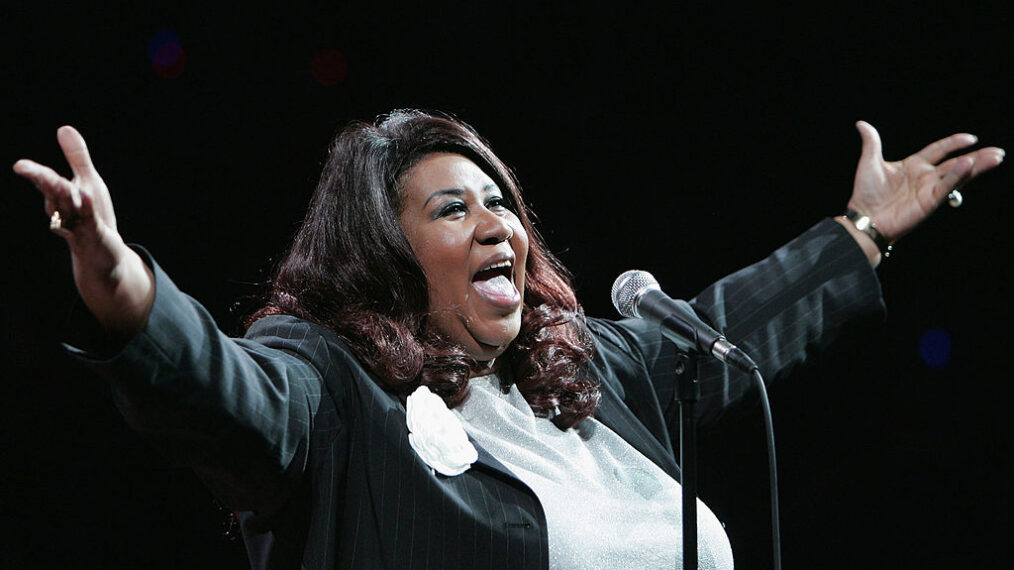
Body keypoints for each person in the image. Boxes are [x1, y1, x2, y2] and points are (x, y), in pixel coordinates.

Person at [14, 110, 1004, 569]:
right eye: (455, 208)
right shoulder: (336, 387)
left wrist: (861, 233)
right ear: (386, 252)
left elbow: (732, 324)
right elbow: (218, 388)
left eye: (502, 201)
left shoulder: (591, 374)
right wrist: (122, 285)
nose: (499, 226)